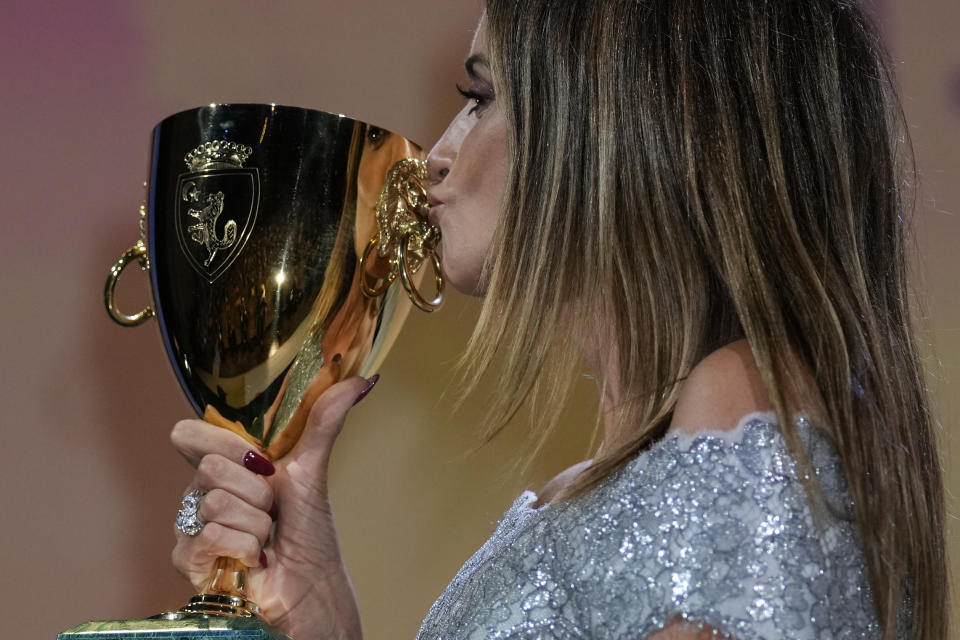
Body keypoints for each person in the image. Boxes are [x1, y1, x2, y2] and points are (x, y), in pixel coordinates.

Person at [169, 1, 948, 638]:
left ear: (631, 120)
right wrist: (324, 613)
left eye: (479, 99)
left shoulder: (746, 399)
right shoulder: (607, 482)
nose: (433, 157)